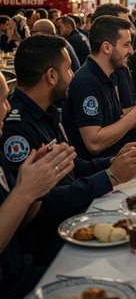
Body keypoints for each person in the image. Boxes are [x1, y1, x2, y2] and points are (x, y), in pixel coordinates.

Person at [0, 35, 136, 265]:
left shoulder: (48, 110)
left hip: (72, 216)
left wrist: (112, 162)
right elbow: (40, 204)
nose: (73, 75)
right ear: (51, 76)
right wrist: (109, 178)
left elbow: (70, 167)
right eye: (68, 69)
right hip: (49, 241)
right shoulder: (18, 130)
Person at [0, 71, 76, 298]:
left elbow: (18, 221)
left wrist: (38, 186)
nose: (6, 108)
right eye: (2, 100)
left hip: (21, 271)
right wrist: (24, 192)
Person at [63, 16, 136, 160]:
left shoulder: (108, 74)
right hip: (98, 171)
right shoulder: (87, 83)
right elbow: (94, 143)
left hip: (116, 158)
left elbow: (116, 121)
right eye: (126, 45)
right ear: (107, 47)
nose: (131, 51)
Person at [90, 3, 136, 110]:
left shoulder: (118, 64)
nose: (131, 30)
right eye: (124, 24)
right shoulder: (99, 74)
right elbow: (116, 118)